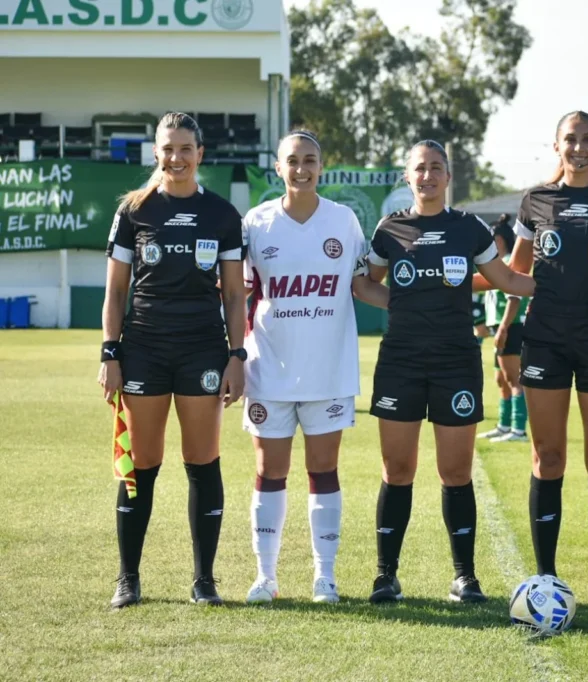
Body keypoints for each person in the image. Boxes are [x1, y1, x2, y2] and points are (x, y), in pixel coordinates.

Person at [366, 140, 534, 604]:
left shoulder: (469, 229)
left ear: (448, 176)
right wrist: (402, 303)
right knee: (397, 468)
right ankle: (385, 575)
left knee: (455, 471)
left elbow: (506, 279)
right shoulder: (389, 229)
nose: (428, 176)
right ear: (407, 176)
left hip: (456, 361)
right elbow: (365, 284)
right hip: (400, 361)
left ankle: (465, 577)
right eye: (419, 168)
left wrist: (565, 286)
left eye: (436, 167)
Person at [98, 112, 247, 608]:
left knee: (202, 461)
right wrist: (110, 352)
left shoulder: (223, 215)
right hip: (143, 350)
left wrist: (236, 355)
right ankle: (128, 579)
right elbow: (115, 292)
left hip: (203, 350)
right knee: (142, 464)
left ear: (200, 154)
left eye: (186, 149)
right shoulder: (133, 211)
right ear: (156, 153)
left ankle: (204, 581)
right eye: (168, 149)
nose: (176, 158)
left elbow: (234, 296)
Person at [240, 130, 390, 605]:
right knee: (269, 470)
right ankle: (266, 576)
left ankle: (325, 577)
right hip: (269, 369)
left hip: (327, 370)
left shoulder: (343, 220)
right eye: (292, 161)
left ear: (321, 167)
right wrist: (230, 354)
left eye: (309, 160)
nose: (301, 169)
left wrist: (420, 305)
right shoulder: (256, 222)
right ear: (278, 168)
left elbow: (362, 286)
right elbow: (240, 294)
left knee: (324, 469)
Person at [507, 111, 588, 609]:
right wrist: (509, 329)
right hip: (545, 338)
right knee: (549, 456)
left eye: (587, 140)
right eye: (570, 139)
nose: (579, 148)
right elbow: (517, 273)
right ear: (556, 145)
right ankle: (545, 577)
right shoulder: (536, 200)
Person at [477, 235, 530, 443]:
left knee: (514, 378)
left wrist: (503, 328)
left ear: (499, 240)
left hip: (510, 327)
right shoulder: (495, 264)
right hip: (500, 327)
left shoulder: (508, 263)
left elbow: (514, 299)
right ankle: (504, 425)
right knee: (501, 379)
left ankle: (518, 429)